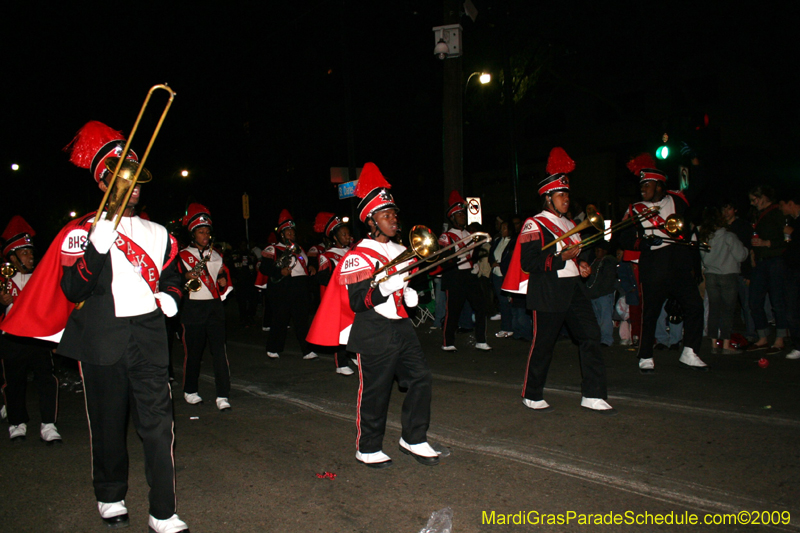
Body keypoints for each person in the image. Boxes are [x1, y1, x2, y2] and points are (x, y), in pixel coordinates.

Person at [0, 122, 189, 531]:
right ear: (103, 183)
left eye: (137, 181)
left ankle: (163, 509)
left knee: (159, 427)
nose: (133, 188)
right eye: (123, 180)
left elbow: (172, 275)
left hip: (149, 338)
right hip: (102, 340)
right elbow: (73, 286)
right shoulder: (82, 232)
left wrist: (171, 296)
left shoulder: (159, 232)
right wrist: (99, 244)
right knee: (107, 426)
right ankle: (110, 494)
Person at [307, 162, 440, 468]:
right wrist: (386, 287)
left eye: (394, 213)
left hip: (401, 326)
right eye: (386, 214)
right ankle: (367, 447)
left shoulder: (401, 249)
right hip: (373, 329)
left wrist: (406, 295)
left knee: (421, 378)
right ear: (371, 221)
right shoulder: (357, 256)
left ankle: (414, 438)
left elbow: (401, 287)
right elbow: (358, 301)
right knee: (376, 390)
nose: (394, 218)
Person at [503, 147, 614, 414]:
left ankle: (593, 394)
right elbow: (529, 262)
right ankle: (532, 393)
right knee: (544, 344)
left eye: (567, 194)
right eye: (561, 195)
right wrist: (561, 258)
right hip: (549, 290)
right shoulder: (535, 224)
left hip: (573, 288)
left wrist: (582, 263)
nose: (566, 199)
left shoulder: (569, 224)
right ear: (548, 198)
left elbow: (573, 257)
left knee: (591, 335)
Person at [619, 152, 706, 373]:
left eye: (647, 184)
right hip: (654, 263)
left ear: (659, 185)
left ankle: (690, 351)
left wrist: (694, 164)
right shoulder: (634, 209)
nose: (643, 188)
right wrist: (642, 242)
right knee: (651, 312)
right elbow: (622, 237)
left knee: (694, 305)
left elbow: (696, 187)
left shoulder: (677, 200)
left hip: (678, 262)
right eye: (641, 185)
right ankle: (646, 354)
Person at [0, 216, 61, 444]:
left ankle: (49, 424)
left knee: (47, 379)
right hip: (12, 339)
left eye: (31, 252)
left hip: (38, 338)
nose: (31, 256)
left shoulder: (41, 277)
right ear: (12, 256)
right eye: (24, 253)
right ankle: (17, 422)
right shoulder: (3, 279)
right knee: (14, 381)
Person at [179, 203, 233, 410]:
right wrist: (186, 275)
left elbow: (224, 277)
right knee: (194, 352)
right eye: (201, 232)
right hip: (193, 309)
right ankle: (190, 390)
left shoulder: (217, 254)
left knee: (219, 351)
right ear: (193, 234)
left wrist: (223, 281)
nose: (205, 235)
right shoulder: (182, 255)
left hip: (215, 308)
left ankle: (222, 395)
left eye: (207, 232)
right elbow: (174, 280)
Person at [259, 210, 317, 360]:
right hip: (283, 287)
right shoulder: (273, 248)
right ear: (282, 234)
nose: (291, 235)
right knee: (280, 319)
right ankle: (273, 348)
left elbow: (304, 263)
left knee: (302, 320)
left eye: (293, 232)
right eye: (288, 233)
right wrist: (279, 271)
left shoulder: (300, 249)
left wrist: (311, 267)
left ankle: (307, 350)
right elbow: (264, 268)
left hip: (300, 286)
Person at [439, 190, 491, 352]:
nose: (463, 217)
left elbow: (474, 255)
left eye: (463, 214)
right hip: (455, 277)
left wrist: (475, 260)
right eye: (459, 215)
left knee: (481, 307)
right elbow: (445, 258)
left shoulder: (469, 234)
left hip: (470, 276)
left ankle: (481, 340)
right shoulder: (446, 236)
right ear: (452, 217)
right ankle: (448, 342)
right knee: (453, 311)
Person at [698, 206, 748, 354]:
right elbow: (741, 255)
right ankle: (725, 344)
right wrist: (745, 249)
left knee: (714, 309)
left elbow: (702, 257)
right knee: (727, 310)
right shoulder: (728, 236)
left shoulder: (705, 237)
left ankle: (714, 342)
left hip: (711, 275)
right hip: (728, 275)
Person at [747, 185, 788, 354]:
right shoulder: (758, 215)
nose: (753, 203)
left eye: (754, 199)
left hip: (775, 261)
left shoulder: (778, 213)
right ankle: (762, 336)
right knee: (754, 300)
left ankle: (780, 339)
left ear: (763, 196)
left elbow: (787, 239)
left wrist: (766, 243)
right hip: (761, 263)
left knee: (777, 301)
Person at [313, 211, 355, 375]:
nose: (347, 236)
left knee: (355, 328)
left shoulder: (353, 252)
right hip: (338, 299)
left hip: (352, 297)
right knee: (340, 331)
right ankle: (341, 363)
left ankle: (354, 355)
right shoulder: (327, 255)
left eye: (348, 233)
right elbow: (322, 278)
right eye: (343, 234)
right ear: (335, 238)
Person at [721, 199, 757, 342]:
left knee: (747, 304)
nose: (726, 213)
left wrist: (748, 273)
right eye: (724, 209)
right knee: (727, 304)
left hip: (741, 270)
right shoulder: (720, 227)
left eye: (729, 209)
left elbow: (748, 250)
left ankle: (751, 333)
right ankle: (726, 333)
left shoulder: (742, 226)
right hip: (726, 271)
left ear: (735, 210)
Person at [779, 191, 800, 360]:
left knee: (793, 310)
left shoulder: (795, 225)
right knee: (792, 310)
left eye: (783, 204)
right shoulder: (792, 221)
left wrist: (792, 233)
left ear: (791, 203)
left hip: (796, 271)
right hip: (792, 270)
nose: (781, 208)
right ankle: (798, 345)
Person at [584, 241, 617, 347]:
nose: (597, 252)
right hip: (594, 294)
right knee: (597, 318)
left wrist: (600, 291)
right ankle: (599, 338)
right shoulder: (594, 262)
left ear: (605, 251)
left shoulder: (608, 261)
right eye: (596, 250)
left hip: (603, 295)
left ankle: (606, 339)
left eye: (599, 250)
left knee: (605, 318)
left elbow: (608, 279)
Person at [489, 221, 513, 337]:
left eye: (504, 228)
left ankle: (507, 328)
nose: (502, 230)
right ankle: (507, 327)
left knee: (506, 302)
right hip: (496, 274)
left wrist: (501, 264)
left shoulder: (512, 242)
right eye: (501, 228)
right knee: (502, 301)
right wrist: (493, 262)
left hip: (505, 275)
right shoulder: (498, 241)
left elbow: (511, 259)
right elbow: (491, 254)